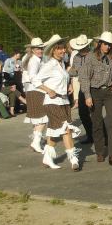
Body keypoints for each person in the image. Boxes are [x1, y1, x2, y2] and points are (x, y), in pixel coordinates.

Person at [33, 35, 81, 170]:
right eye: (59, 49)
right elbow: (36, 80)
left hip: (64, 101)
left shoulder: (61, 64)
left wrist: (69, 86)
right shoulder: (49, 65)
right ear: (53, 50)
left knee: (55, 131)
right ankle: (74, 158)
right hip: (52, 102)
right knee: (66, 129)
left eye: (63, 48)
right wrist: (48, 90)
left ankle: (47, 157)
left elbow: (62, 78)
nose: (63, 51)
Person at [79, 31, 112, 166]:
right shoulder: (90, 57)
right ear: (100, 43)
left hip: (110, 92)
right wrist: (87, 95)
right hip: (95, 92)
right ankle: (100, 151)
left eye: (110, 44)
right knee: (97, 122)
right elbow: (84, 77)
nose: (107, 47)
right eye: (105, 44)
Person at [22, 38, 49, 152]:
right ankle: (36, 142)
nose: (40, 50)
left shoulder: (37, 59)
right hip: (36, 91)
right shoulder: (34, 61)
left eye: (41, 48)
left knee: (39, 118)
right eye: (37, 49)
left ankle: (37, 140)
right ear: (32, 50)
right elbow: (33, 78)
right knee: (42, 118)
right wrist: (45, 88)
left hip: (35, 91)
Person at [67, 34, 94, 143]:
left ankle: (101, 137)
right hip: (82, 87)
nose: (81, 49)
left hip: (93, 87)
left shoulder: (93, 56)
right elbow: (74, 72)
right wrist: (70, 70)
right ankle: (90, 135)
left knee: (95, 114)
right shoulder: (77, 57)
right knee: (83, 113)